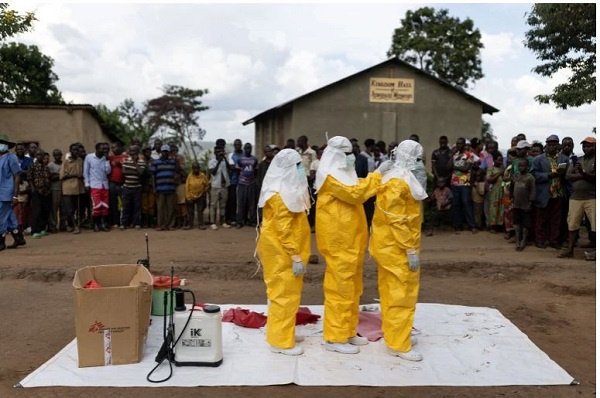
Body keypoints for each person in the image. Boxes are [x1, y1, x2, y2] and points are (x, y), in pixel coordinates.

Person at [315, 135, 391, 354]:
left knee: (352, 289)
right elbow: (356, 194)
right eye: (347, 154)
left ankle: (347, 331)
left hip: (351, 241)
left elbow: (358, 189)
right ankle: (334, 337)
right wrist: (377, 175)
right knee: (340, 289)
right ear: (337, 155)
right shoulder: (330, 176)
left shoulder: (345, 175)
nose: (352, 158)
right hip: (339, 242)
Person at [370, 140, 428, 361]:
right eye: (418, 158)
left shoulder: (399, 179)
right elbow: (396, 219)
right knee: (401, 293)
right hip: (396, 247)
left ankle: (396, 333)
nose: (420, 163)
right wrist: (409, 249)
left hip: (390, 246)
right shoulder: (397, 182)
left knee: (390, 291)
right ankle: (398, 344)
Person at [256, 149, 311, 356]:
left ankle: (284, 330)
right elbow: (283, 228)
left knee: (290, 292)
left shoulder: (287, 190)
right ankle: (280, 341)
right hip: (281, 252)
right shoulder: (280, 195)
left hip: (286, 251)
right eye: (297, 166)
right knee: (282, 294)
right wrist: (294, 255)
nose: (301, 169)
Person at [559, 137, 595, 258]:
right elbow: (568, 176)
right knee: (572, 224)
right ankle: (570, 250)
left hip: (593, 197)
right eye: (584, 146)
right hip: (576, 197)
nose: (586, 148)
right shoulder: (578, 160)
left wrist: (582, 173)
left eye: (589, 146)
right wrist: (583, 175)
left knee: (595, 225)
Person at [532, 135, 569, 249]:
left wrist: (563, 173)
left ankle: (554, 240)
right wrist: (548, 175)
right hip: (543, 193)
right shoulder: (538, 159)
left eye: (554, 144)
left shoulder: (564, 159)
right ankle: (540, 240)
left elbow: (569, 175)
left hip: (558, 193)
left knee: (556, 219)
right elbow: (533, 174)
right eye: (549, 144)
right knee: (541, 219)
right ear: (546, 146)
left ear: (558, 145)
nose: (552, 147)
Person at [0, 134, 26, 251]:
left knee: (1, 217)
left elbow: (17, 175)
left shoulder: (11, 158)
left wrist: (15, 195)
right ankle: (19, 237)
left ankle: (1, 242)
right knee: (9, 216)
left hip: (6, 192)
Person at [449, 137, 478, 233]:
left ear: (464, 145)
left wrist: (455, 166)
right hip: (454, 183)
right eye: (457, 144)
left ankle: (472, 225)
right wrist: (451, 155)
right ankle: (458, 225)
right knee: (456, 204)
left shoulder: (469, 155)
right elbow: (448, 167)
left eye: (460, 144)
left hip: (465, 183)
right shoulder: (454, 155)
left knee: (467, 203)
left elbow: (466, 168)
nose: (458, 145)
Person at [83, 142, 112, 232]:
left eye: (106, 149)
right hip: (94, 185)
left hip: (104, 185)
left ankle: (103, 224)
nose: (105, 151)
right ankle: (95, 224)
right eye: (103, 149)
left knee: (105, 206)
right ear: (97, 149)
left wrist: (107, 161)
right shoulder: (89, 157)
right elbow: (86, 171)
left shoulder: (105, 158)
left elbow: (108, 172)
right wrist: (87, 184)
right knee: (96, 206)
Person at [151, 144, 177, 231]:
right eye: (164, 151)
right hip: (160, 188)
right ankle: (160, 225)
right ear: (161, 152)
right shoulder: (156, 162)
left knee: (170, 208)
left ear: (169, 152)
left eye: (167, 151)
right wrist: (154, 188)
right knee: (160, 208)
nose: (165, 153)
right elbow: (153, 176)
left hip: (171, 188)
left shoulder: (173, 162)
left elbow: (177, 172)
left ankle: (170, 225)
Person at [60, 143, 85, 234]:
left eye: (77, 150)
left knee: (75, 208)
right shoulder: (66, 161)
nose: (76, 151)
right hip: (68, 187)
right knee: (69, 208)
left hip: (78, 187)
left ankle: (70, 224)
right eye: (74, 150)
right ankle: (75, 226)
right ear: (70, 151)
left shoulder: (80, 160)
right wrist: (74, 175)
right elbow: (62, 176)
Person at [512, 158, 536, 251]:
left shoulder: (530, 178)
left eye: (523, 165)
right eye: (519, 166)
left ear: (527, 166)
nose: (521, 167)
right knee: (516, 223)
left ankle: (524, 240)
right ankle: (517, 240)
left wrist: (531, 203)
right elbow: (512, 188)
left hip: (526, 204)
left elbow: (533, 191)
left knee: (526, 225)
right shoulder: (515, 176)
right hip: (516, 204)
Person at [120, 145, 146, 229]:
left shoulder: (142, 161)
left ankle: (136, 223)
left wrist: (134, 163)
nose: (132, 153)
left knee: (137, 207)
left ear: (138, 152)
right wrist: (135, 170)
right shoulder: (126, 160)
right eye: (131, 151)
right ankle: (124, 223)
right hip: (127, 187)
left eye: (134, 151)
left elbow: (141, 173)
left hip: (137, 188)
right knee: (125, 206)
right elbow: (124, 172)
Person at [27, 150, 52, 238]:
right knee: (36, 212)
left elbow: (49, 178)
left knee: (45, 211)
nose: (40, 156)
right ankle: (34, 231)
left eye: (41, 155)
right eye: (38, 155)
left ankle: (42, 229)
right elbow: (29, 178)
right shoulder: (32, 166)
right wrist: (33, 188)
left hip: (47, 192)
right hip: (37, 191)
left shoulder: (46, 167)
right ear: (35, 156)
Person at [235, 143, 258, 228]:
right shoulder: (240, 159)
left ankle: (252, 221)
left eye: (249, 148)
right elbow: (237, 170)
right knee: (241, 203)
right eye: (247, 148)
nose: (248, 150)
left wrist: (253, 179)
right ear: (244, 149)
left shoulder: (254, 159)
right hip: (242, 183)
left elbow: (255, 171)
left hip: (251, 183)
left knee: (252, 203)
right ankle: (240, 221)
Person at [208, 146, 231, 230]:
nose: (220, 154)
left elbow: (230, 168)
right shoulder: (211, 162)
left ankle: (223, 222)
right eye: (218, 152)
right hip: (215, 185)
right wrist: (218, 162)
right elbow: (213, 172)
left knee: (223, 205)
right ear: (215, 153)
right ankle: (213, 223)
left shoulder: (224, 161)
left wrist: (224, 158)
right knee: (213, 205)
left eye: (221, 152)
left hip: (224, 185)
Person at [185, 161, 209, 230]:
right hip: (191, 196)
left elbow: (207, 185)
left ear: (199, 168)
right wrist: (188, 198)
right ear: (192, 169)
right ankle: (190, 225)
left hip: (200, 195)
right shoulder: (189, 176)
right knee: (190, 211)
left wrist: (204, 191)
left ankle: (201, 224)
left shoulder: (202, 176)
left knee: (200, 210)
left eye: (197, 168)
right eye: (194, 168)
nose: (196, 170)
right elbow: (187, 187)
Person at [108, 141, 127, 228]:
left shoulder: (125, 157)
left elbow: (127, 168)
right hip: (112, 183)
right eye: (112, 148)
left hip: (123, 183)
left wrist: (120, 165)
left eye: (115, 147)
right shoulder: (110, 158)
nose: (113, 149)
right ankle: (115, 222)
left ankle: (124, 222)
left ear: (120, 147)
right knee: (113, 203)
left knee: (124, 203)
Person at [486, 152, 505, 233]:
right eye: (499, 160)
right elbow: (489, 180)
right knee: (494, 209)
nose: (500, 162)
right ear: (494, 160)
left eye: (501, 160)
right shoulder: (491, 169)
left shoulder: (504, 168)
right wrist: (499, 173)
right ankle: (493, 227)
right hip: (494, 192)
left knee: (502, 208)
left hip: (503, 191)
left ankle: (500, 226)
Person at [226, 139, 243, 226]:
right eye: (236, 144)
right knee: (233, 200)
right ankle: (232, 218)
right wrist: (241, 167)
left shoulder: (244, 155)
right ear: (234, 146)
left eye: (239, 144)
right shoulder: (231, 155)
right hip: (233, 181)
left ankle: (241, 218)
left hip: (243, 181)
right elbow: (232, 167)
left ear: (241, 145)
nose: (237, 146)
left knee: (242, 200)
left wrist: (238, 167)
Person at [47, 149, 63, 233]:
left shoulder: (64, 164)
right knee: (54, 209)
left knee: (63, 208)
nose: (57, 157)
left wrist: (57, 175)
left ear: (61, 155)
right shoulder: (50, 165)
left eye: (59, 155)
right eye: (56, 155)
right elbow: (51, 177)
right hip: (54, 189)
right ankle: (53, 226)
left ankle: (63, 225)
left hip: (64, 189)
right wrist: (61, 175)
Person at [140, 146, 156, 228]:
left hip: (151, 185)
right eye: (146, 152)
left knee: (151, 204)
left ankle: (151, 221)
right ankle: (145, 222)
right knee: (144, 204)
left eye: (149, 152)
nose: (148, 153)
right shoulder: (141, 161)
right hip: (143, 185)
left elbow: (153, 174)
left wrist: (154, 187)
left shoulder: (153, 161)